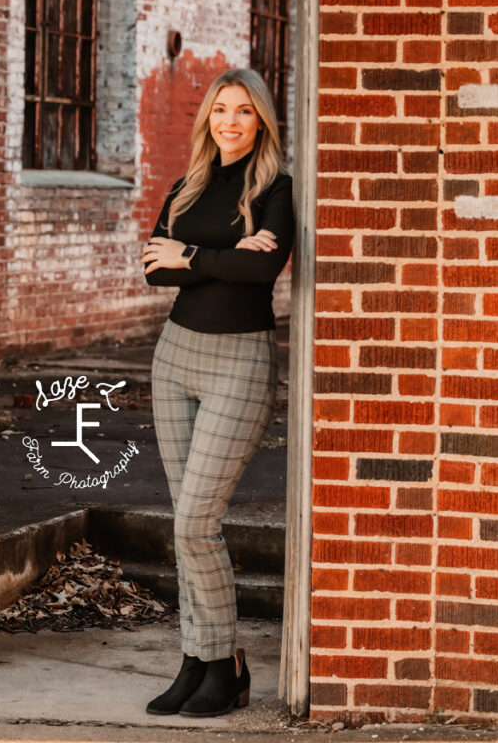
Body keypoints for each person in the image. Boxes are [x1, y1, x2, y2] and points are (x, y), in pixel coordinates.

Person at [141, 66, 294, 719]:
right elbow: (152, 268)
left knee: (195, 523)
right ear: (208, 118)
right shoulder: (188, 185)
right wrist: (221, 253)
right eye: (221, 110)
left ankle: (226, 664)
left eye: (244, 112)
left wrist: (193, 258)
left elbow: (262, 267)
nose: (230, 121)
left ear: (260, 121)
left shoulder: (275, 189)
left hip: (239, 363)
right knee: (185, 527)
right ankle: (195, 662)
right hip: (174, 358)